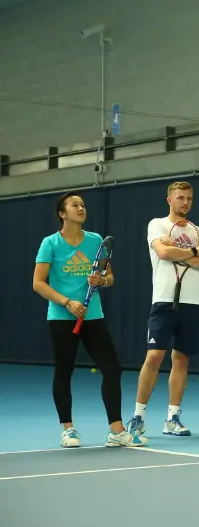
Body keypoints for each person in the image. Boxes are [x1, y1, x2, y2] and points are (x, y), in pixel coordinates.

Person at [33, 191, 147, 449]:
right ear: (63, 214)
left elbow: (110, 277)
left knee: (112, 368)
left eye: (82, 204)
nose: (81, 208)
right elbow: (38, 283)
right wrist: (67, 302)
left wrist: (101, 281)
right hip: (62, 316)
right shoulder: (50, 243)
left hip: (92, 316)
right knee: (64, 371)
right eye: (75, 205)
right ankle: (68, 430)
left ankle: (117, 431)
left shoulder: (96, 240)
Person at [126, 181, 199, 438]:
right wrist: (193, 252)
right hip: (164, 300)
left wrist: (185, 251)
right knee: (154, 357)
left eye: (188, 198)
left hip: (193, 301)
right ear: (169, 200)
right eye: (180, 198)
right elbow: (162, 253)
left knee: (181, 359)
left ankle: (172, 418)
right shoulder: (157, 224)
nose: (185, 202)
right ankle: (138, 417)